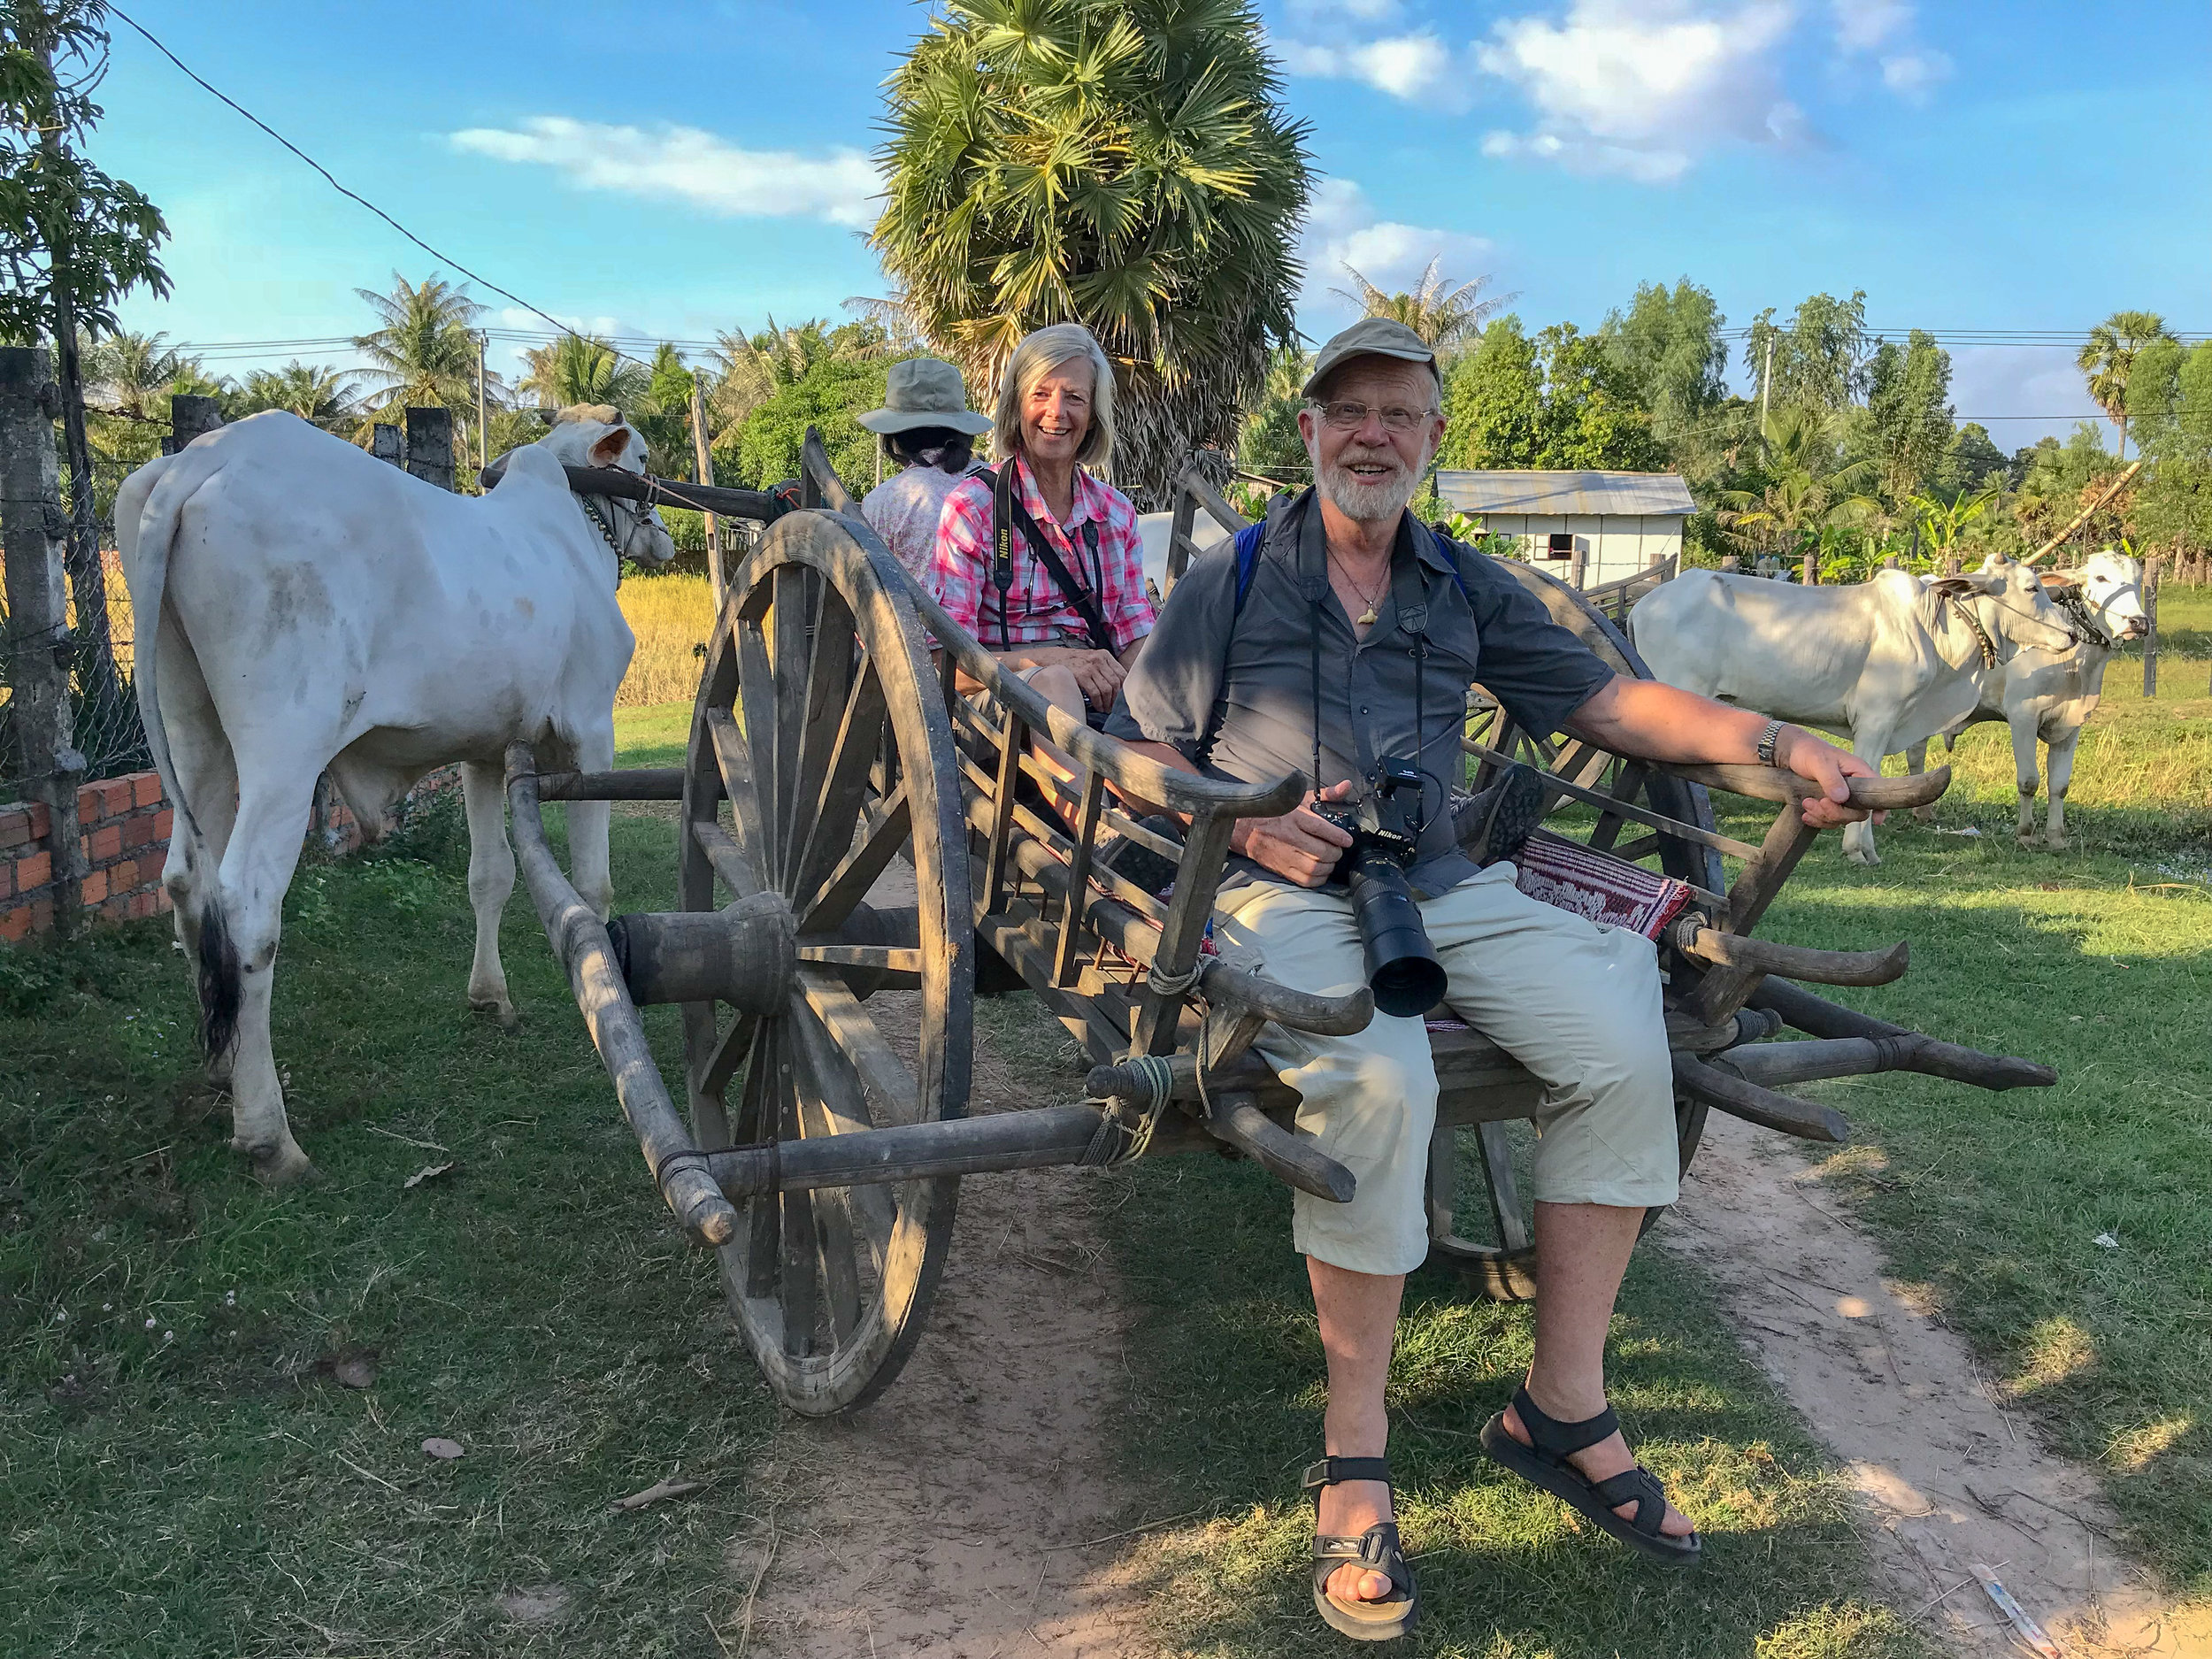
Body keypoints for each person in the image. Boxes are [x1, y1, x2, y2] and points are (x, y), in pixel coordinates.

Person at [1108, 318, 1878, 1641]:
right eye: (1348, 410)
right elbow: (1127, 751)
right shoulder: (1230, 580)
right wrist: (1240, 820)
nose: (1371, 434)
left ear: (1432, 438)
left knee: (1623, 1032)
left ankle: (1561, 1401)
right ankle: (1356, 1451)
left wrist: (1770, 738)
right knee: (1380, 1068)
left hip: (1446, 879)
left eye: (1398, 414)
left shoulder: (1464, 584)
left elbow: (1607, 702)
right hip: (1272, 887)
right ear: (1308, 431)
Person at [931, 322, 1154, 738]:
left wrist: (1148, 687)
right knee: (1056, 682)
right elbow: (948, 661)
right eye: (1041, 394)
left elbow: (1135, 638)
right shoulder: (974, 509)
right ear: (1017, 406)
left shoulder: (1116, 515)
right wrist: (1056, 662)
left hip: (1096, 709)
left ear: (1092, 416)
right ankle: (1084, 803)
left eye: (1074, 398)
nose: (1057, 412)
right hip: (998, 703)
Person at [857, 358, 992, 583]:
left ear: (895, 437)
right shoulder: (999, 482)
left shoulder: (883, 501)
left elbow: (871, 584)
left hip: (913, 619)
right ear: (962, 430)